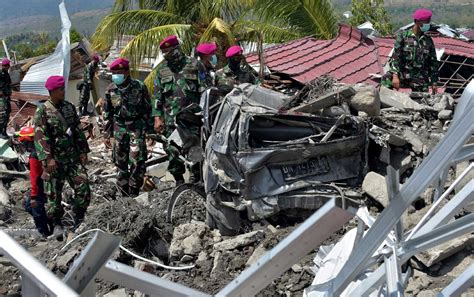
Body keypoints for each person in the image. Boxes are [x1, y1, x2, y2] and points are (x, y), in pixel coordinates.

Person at [34, 75, 91, 240]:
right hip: (55, 161)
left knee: (83, 186)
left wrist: (83, 151)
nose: (63, 92)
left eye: (63, 88)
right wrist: (48, 158)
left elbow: (77, 129)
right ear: (52, 91)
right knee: (54, 195)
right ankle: (57, 223)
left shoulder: (69, 107)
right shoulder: (43, 111)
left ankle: (78, 216)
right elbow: (39, 136)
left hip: (72, 157)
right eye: (60, 90)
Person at [153, 35, 205, 185]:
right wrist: (157, 118)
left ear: (177, 49)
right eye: (164, 52)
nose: (166, 55)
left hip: (192, 119)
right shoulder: (162, 71)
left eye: (169, 51)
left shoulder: (195, 65)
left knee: (195, 151)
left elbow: (205, 91)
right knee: (173, 153)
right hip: (171, 120)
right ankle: (179, 182)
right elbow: (157, 97)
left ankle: (197, 180)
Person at [103, 58, 152, 197]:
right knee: (120, 162)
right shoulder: (111, 89)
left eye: (118, 72)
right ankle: (124, 195)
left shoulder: (139, 86)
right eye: (113, 73)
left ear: (127, 72)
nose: (116, 75)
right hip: (119, 129)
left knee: (138, 161)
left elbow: (147, 109)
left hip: (136, 128)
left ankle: (134, 192)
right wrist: (107, 134)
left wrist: (149, 131)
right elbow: (107, 112)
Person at [382, 8, 439, 93]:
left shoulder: (428, 41)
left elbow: (433, 63)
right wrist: (395, 75)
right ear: (417, 21)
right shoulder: (403, 36)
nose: (428, 24)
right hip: (403, 74)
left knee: (422, 99)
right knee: (386, 78)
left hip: (419, 77)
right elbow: (396, 57)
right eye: (426, 21)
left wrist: (434, 82)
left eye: (429, 21)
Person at [17, 126, 52, 237]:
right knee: (30, 206)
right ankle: (50, 223)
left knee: (35, 208)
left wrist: (33, 195)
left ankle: (44, 233)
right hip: (45, 182)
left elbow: (34, 177)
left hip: (39, 185)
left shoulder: (33, 156)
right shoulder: (42, 150)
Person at [0, 58, 12, 138]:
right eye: (7, 65)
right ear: (4, 66)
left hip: (6, 97)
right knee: (2, 115)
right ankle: (1, 132)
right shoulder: (0, 73)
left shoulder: (6, 73)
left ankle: (3, 131)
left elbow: (8, 84)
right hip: (2, 98)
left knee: (8, 112)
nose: (8, 67)